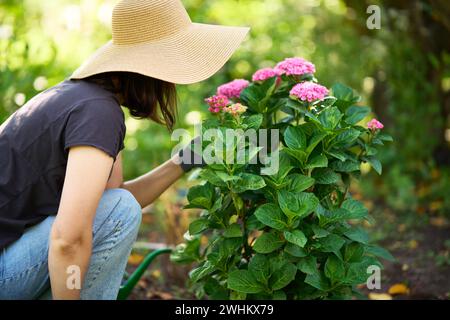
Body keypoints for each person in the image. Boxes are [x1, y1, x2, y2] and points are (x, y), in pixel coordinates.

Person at [0, 0, 249, 300]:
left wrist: (185, 160)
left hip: (11, 258)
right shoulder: (98, 113)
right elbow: (70, 239)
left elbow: (112, 197)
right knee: (117, 211)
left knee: (118, 206)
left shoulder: (84, 100)